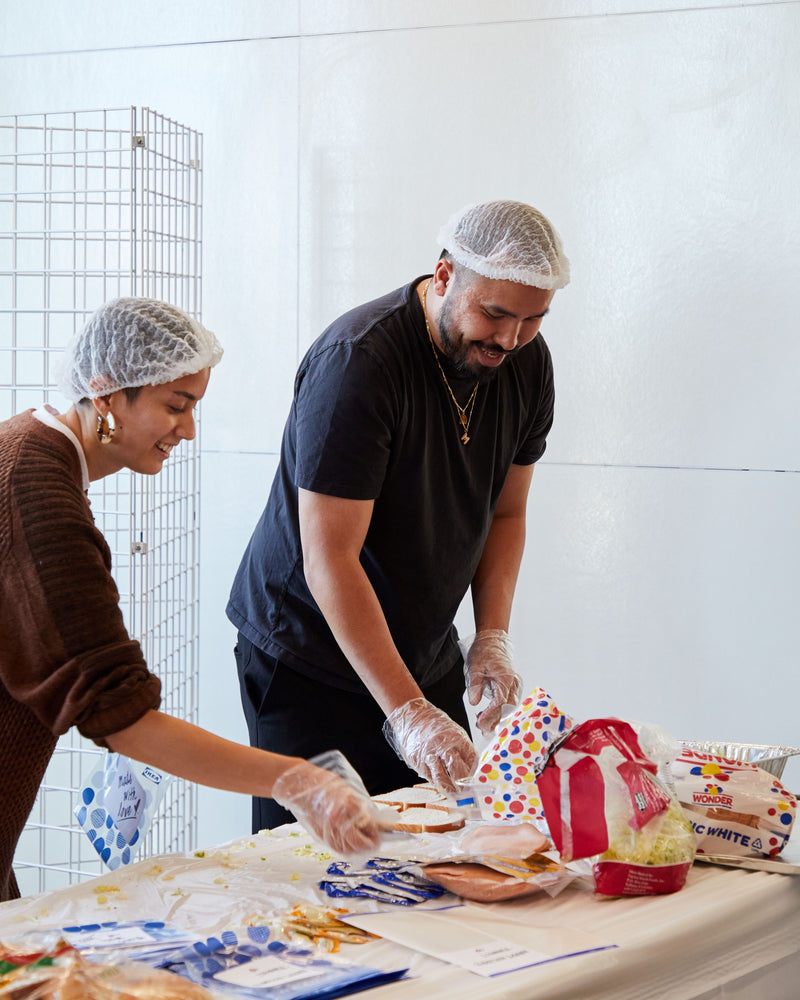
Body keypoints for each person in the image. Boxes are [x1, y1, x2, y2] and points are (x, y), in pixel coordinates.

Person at [0, 297, 384, 903]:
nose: (188, 429)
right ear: (105, 393)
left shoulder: (29, 446)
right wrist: (298, 780)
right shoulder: (37, 494)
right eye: (175, 406)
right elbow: (122, 717)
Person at [227, 199, 571, 833]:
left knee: (447, 841)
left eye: (532, 319)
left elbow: (506, 513)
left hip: (421, 646)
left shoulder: (526, 361)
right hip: (309, 656)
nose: (509, 339)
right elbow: (330, 558)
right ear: (444, 276)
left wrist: (491, 640)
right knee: (316, 862)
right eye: (495, 314)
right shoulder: (359, 363)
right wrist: (407, 713)